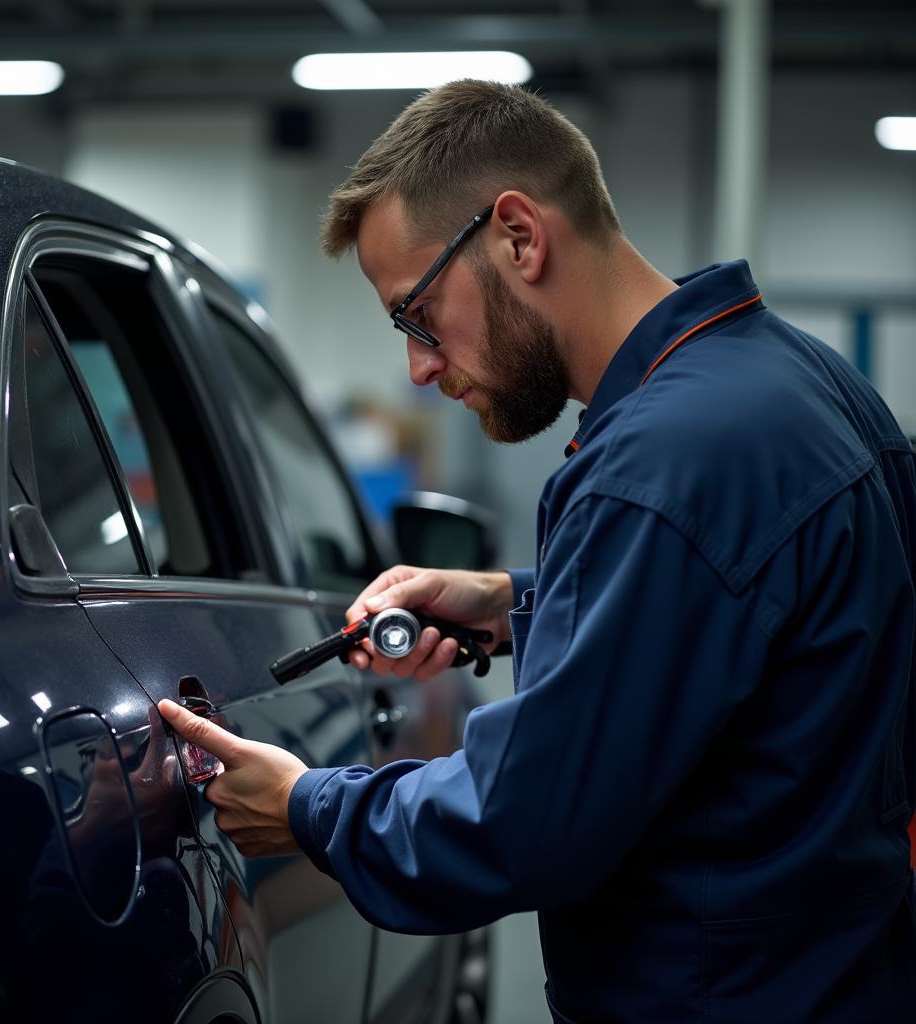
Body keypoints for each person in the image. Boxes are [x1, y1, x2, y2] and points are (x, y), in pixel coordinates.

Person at [160, 80, 916, 1022]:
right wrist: (516, 599)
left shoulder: (660, 463)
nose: (420, 368)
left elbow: (524, 820)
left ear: (518, 236)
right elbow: (751, 619)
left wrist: (313, 807)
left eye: (416, 315)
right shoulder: (806, 384)